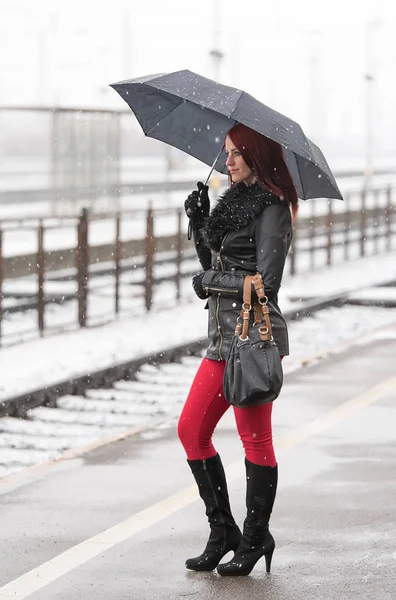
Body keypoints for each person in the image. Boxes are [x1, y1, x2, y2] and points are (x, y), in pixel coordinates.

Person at [177, 122, 298, 577]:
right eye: (225, 153)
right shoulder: (231, 206)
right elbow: (219, 268)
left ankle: (255, 536)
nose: (227, 161)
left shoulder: (272, 210)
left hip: (253, 341)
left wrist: (209, 280)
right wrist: (200, 223)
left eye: (235, 154)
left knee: (255, 440)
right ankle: (222, 530)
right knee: (191, 430)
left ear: (255, 156)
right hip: (221, 341)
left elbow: (264, 285)